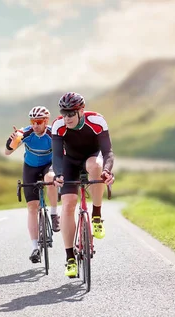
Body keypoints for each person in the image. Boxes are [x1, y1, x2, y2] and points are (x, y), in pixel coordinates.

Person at [51, 92, 115, 278]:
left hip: (91, 158)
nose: (66, 117)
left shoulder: (97, 121)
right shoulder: (58, 125)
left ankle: (96, 216)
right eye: (63, 113)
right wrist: (59, 174)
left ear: (81, 111)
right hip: (69, 162)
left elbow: (108, 152)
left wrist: (108, 171)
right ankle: (70, 257)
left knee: (95, 166)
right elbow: (56, 155)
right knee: (69, 204)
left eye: (71, 113)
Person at [5, 106, 61, 264]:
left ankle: (54, 214)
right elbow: (7, 152)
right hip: (30, 167)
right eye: (32, 122)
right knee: (32, 208)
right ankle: (35, 248)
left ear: (46, 121)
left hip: (48, 165)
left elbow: (64, 152)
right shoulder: (25, 133)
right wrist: (11, 141)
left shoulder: (52, 134)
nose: (35, 125)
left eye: (38, 122)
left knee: (50, 178)